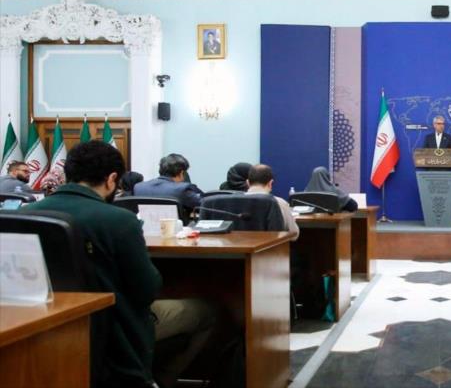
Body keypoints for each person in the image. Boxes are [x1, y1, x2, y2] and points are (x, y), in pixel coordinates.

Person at [23, 141, 216, 388]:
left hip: (42, 326)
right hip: (115, 330)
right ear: (112, 179)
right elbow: (147, 289)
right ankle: (157, 382)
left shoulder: (26, 213)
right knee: (206, 311)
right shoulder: (118, 220)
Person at [135, 153, 204, 212]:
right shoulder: (181, 189)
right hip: (174, 227)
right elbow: (205, 204)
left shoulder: (138, 187)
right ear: (181, 173)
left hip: (146, 227)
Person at [246, 164, 299, 237]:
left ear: (247, 183)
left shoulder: (232, 202)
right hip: (272, 248)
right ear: (270, 183)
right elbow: (294, 235)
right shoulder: (280, 203)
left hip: (238, 247)